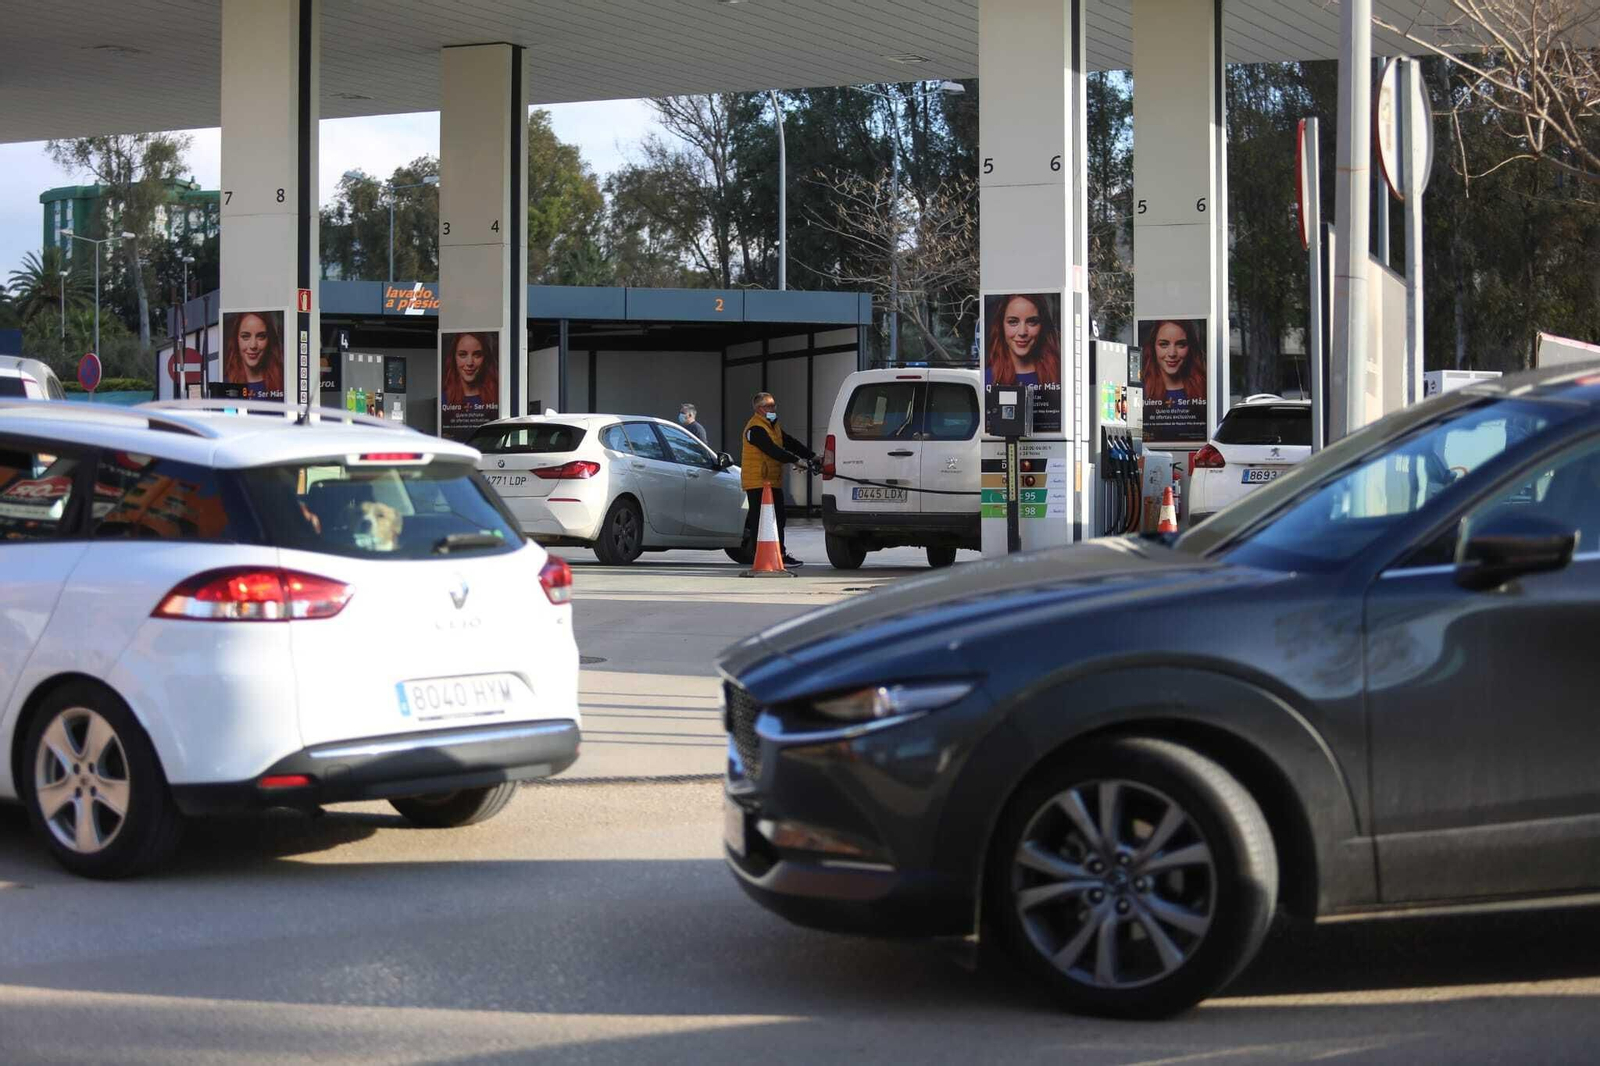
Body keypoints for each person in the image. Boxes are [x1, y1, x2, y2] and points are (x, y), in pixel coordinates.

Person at [741, 391, 817, 568]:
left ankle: (779, 554)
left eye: (774, 405)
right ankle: (761, 557)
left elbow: (789, 442)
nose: (773, 408)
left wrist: (812, 456)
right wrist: (796, 460)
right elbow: (771, 450)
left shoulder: (772, 425)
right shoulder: (755, 428)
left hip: (771, 481)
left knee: (779, 519)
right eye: (769, 406)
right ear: (759, 409)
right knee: (760, 520)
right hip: (758, 482)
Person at [985, 294, 1062, 387]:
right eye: (1013, 322)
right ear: (1001, 326)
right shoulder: (987, 378)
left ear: (1042, 326)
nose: (1022, 332)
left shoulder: (1060, 374)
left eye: (1032, 321)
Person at [1141, 319, 1206, 406]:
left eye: (1181, 345)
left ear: (1190, 348)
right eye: (1164, 344)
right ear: (1153, 348)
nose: (1172, 353)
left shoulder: (1204, 388)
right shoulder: (1140, 390)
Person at [224, 311, 285, 399]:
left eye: (261, 336)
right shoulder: (225, 385)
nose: (253, 345)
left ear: (269, 340)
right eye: (245, 336)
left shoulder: (284, 383)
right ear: (236, 340)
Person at [443, 332, 499, 409]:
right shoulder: (443, 400)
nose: (469, 363)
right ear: (454, 358)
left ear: (486, 358)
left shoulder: (499, 397)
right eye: (462, 355)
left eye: (477, 355)